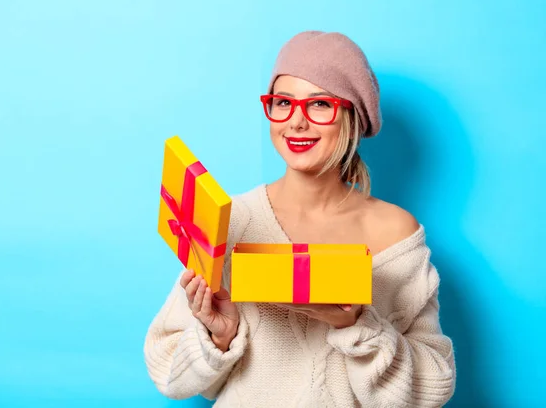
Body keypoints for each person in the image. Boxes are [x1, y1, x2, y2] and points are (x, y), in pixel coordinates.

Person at [144, 31, 456, 407]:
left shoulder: (397, 233)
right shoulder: (230, 219)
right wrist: (219, 336)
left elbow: (431, 388)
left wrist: (356, 325)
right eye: (283, 102)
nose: (296, 122)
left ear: (353, 116)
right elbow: (166, 369)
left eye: (319, 104)